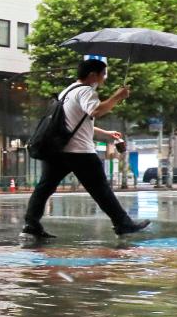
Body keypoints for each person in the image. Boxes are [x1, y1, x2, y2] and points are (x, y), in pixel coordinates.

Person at [22, 59, 151, 239]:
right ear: (93, 75)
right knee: (101, 189)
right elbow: (96, 111)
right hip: (80, 152)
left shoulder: (68, 91)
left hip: (58, 151)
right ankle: (123, 223)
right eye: (103, 74)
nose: (104, 78)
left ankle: (31, 224)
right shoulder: (86, 91)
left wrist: (106, 133)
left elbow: (76, 122)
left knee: (44, 188)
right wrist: (118, 96)